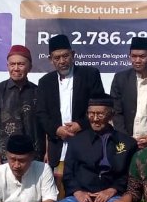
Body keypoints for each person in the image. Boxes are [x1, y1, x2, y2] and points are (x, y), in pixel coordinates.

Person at [51, 94, 137, 202]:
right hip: (82, 193)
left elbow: (129, 175)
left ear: (111, 115)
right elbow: (68, 173)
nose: (95, 118)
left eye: (100, 114)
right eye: (91, 113)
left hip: (110, 194)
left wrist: (112, 190)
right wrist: (77, 191)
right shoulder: (76, 141)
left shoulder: (127, 143)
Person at [36, 34, 105, 185]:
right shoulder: (45, 82)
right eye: (57, 58)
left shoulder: (90, 75)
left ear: (73, 55)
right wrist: (56, 129)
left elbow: (100, 107)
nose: (62, 61)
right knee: (58, 194)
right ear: (50, 59)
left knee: (84, 191)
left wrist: (80, 125)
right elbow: (41, 114)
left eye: (65, 56)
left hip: (86, 144)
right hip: (57, 148)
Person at [110, 36, 147, 150]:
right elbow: (116, 112)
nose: (137, 61)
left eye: (142, 56)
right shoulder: (120, 79)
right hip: (125, 143)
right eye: (133, 56)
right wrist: (127, 139)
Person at [0, 45, 41, 165]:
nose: (16, 68)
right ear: (7, 66)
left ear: (30, 67)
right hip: (5, 158)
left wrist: (47, 152)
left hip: (34, 156)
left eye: (21, 64)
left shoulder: (38, 91)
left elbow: (44, 124)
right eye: (12, 64)